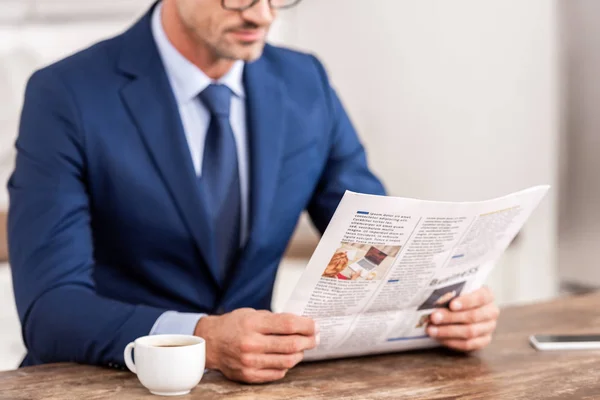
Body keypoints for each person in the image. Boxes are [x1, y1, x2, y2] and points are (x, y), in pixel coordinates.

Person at [8, 0, 500, 384]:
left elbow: (377, 245)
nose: (263, 16)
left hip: (257, 387)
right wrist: (200, 336)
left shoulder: (305, 81)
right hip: (103, 383)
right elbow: (51, 310)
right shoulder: (67, 95)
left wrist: (444, 303)